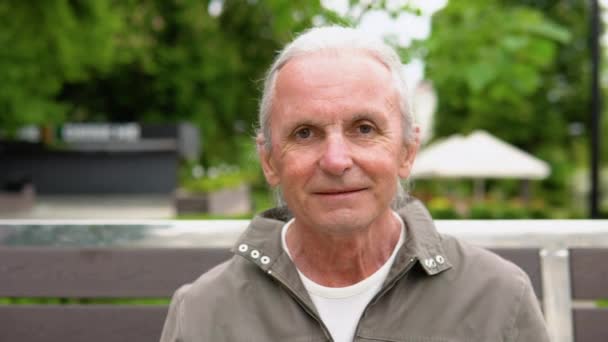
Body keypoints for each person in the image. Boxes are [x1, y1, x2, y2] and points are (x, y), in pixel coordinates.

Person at [160, 26, 549, 342]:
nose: (336, 159)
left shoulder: (497, 298)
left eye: (364, 128)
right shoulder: (203, 312)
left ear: (407, 151)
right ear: (269, 160)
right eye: (305, 133)